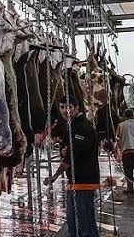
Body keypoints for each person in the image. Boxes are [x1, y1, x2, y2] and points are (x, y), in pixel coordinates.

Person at [43, 96, 100, 237]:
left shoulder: (81, 127)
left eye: (68, 107)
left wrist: (55, 176)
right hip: (75, 183)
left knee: (85, 226)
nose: (64, 110)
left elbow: (72, 156)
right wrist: (65, 150)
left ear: (77, 107)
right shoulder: (73, 125)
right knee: (73, 225)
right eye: (62, 107)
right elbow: (70, 152)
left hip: (84, 183)